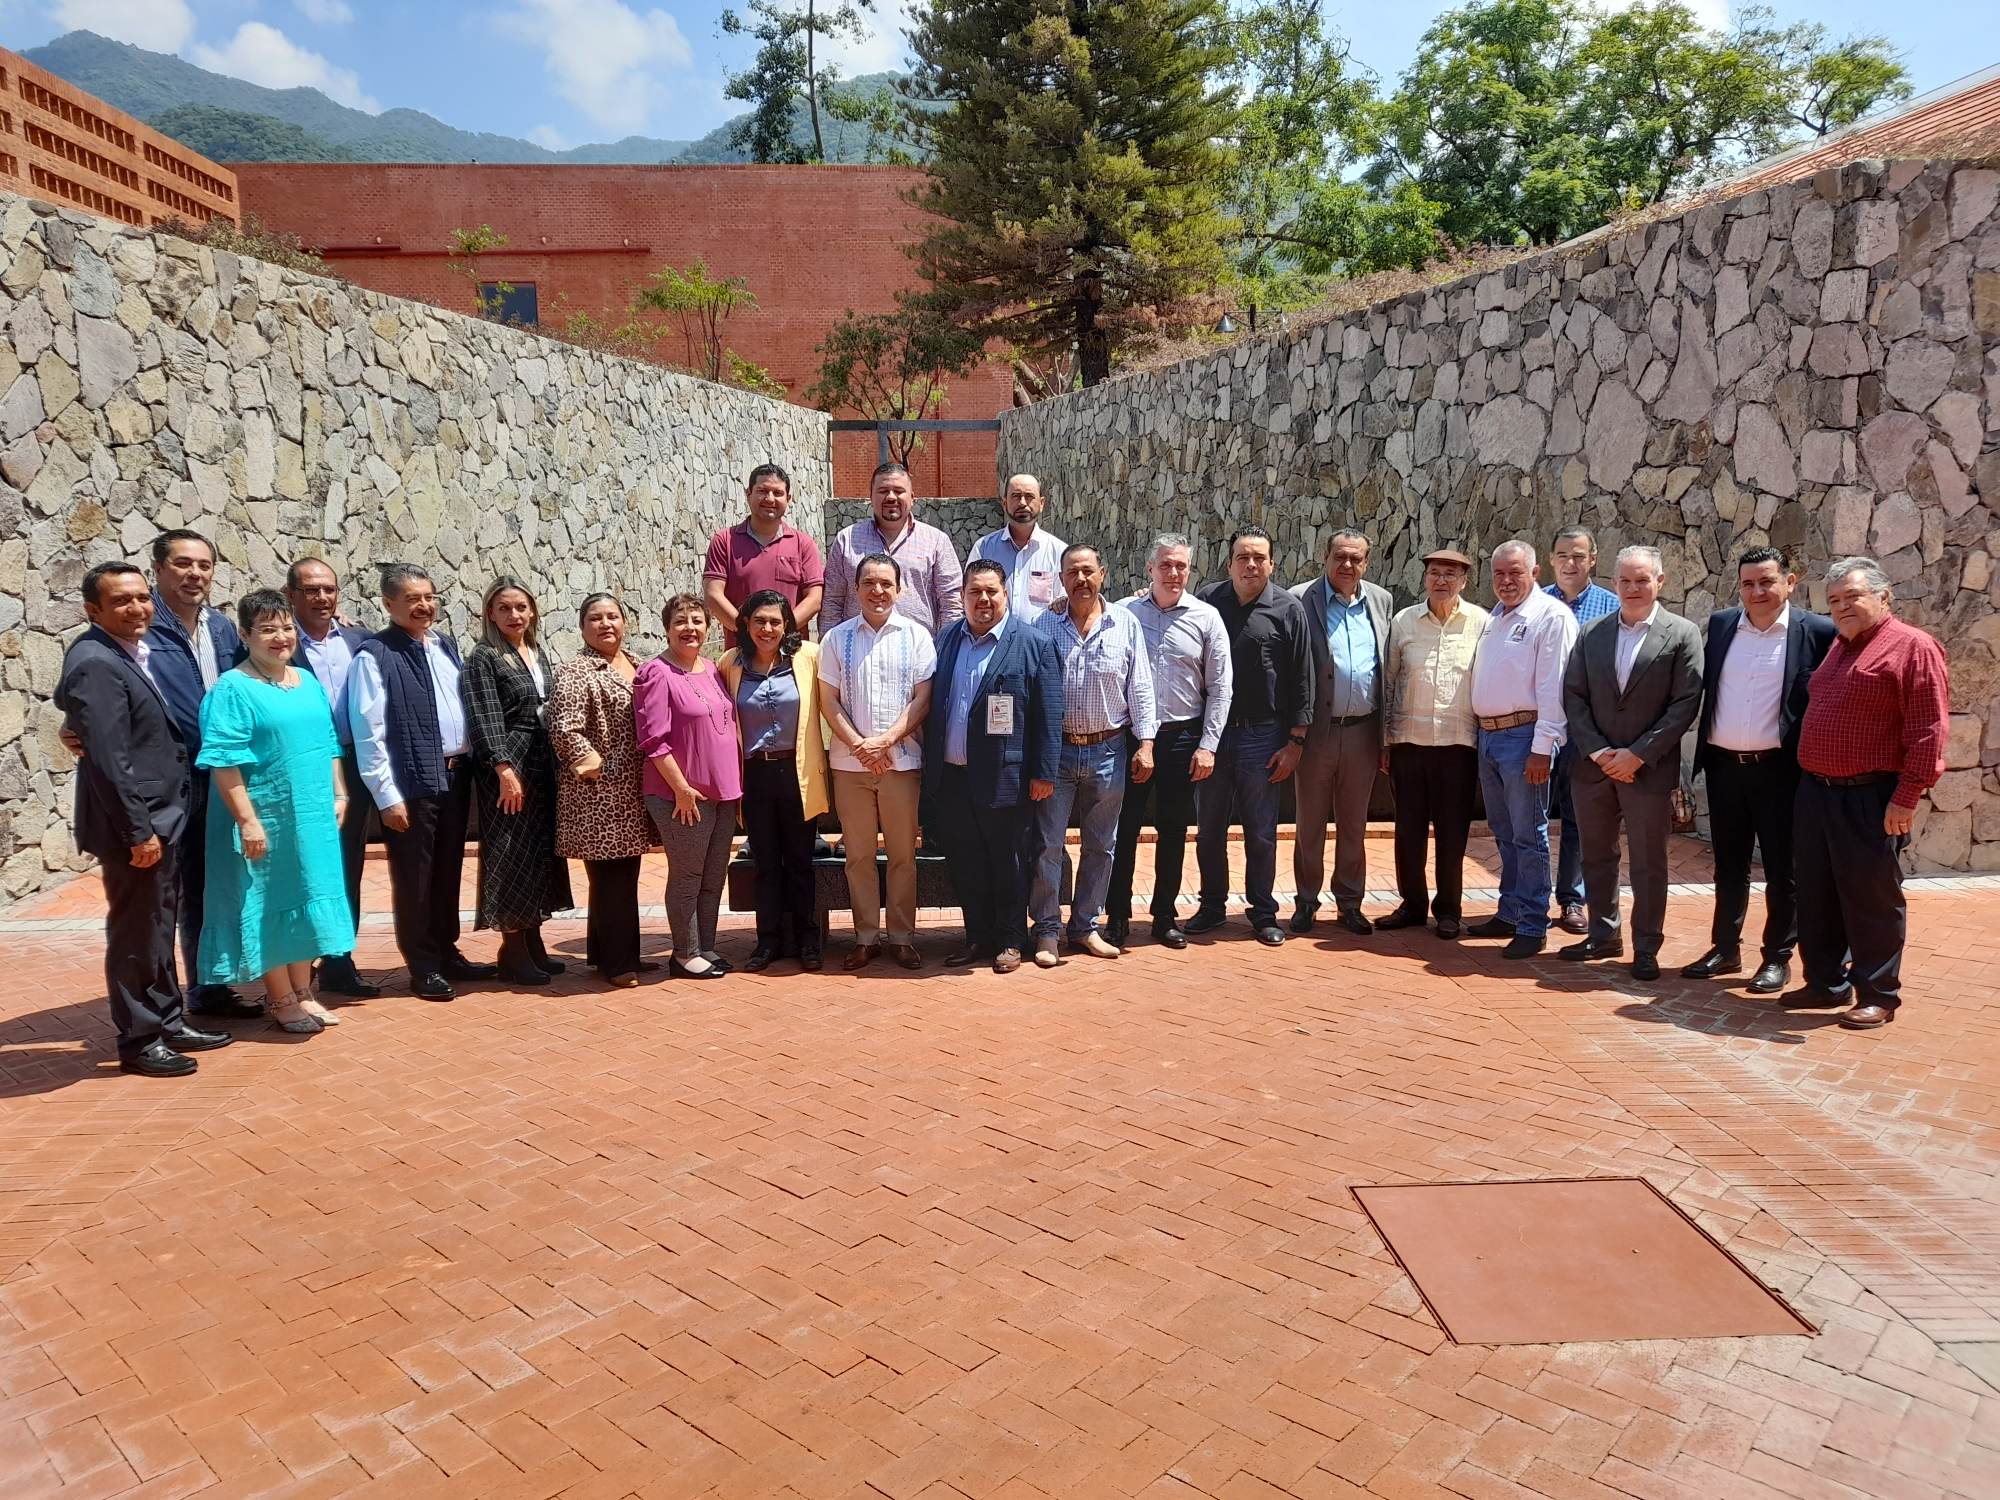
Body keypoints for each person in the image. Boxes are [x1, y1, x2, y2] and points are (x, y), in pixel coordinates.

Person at [55, 563, 230, 1078]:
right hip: (139, 824)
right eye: (121, 602)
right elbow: (109, 760)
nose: (137, 608)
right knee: (136, 933)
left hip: (163, 817)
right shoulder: (95, 660)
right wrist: (139, 831)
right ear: (94, 611)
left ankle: (169, 1021)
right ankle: (139, 1039)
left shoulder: (129, 651)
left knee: (158, 924)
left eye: (141, 598)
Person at [1791, 557, 1950, 1029]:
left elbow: (1929, 729)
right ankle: (1824, 983)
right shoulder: (1840, 646)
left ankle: (1878, 993)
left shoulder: (1913, 648)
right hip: (1816, 792)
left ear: (1883, 596)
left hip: (1869, 795)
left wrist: (1907, 795)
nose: (1842, 606)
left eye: (1852, 596)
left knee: (1872, 898)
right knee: (1817, 893)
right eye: (1834, 600)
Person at [195, 589, 356, 1034]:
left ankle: (304, 992)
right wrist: (247, 820)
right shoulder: (233, 689)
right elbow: (223, 760)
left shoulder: (306, 681)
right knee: (268, 902)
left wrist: (339, 795)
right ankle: (280, 998)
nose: (280, 637)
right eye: (267, 629)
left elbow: (328, 744)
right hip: (263, 817)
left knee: (307, 895)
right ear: (245, 635)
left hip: (311, 814)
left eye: (286, 628)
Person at [1683, 548, 1837, 994]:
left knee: (1782, 870)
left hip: (1781, 773)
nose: (1757, 592)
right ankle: (1725, 948)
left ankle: (1776, 958)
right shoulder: (1723, 624)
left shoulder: (1818, 632)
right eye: (1748, 583)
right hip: (1725, 768)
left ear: (1790, 582)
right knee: (1727, 866)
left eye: (1767, 582)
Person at [349, 563, 497, 1001]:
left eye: (430, 597)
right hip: (411, 785)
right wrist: (386, 796)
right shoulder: (374, 656)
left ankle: (446, 950)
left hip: (455, 776)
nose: (423, 605)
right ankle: (422, 965)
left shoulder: (444, 646)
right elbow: (368, 731)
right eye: (412, 598)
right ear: (389, 603)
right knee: (415, 877)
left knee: (449, 870)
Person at [1556, 547, 1703, 981]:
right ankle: (1604, 934)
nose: (1634, 588)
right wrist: (1600, 752)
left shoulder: (1682, 634)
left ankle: (1645, 946)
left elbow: (1685, 703)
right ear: (1614, 582)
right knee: (1597, 856)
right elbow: (1574, 696)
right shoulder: (1592, 633)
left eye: (1643, 580)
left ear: (1661, 581)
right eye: (1625, 581)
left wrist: (1637, 754)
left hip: (1647, 769)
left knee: (1648, 862)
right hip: (1593, 768)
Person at [924, 560, 1065, 973]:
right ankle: (976, 937)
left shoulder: (1033, 643)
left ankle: (1009, 940)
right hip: (953, 777)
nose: (983, 600)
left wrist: (1044, 772)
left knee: (1008, 861)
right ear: (963, 596)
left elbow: (1049, 713)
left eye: (992, 592)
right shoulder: (947, 639)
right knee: (966, 862)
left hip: (1009, 777)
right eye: (974, 592)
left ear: (1005, 594)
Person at [1029, 544, 1157, 966]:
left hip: (1108, 750)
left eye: (1088, 571)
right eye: (1072, 572)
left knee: (1101, 845)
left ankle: (1085, 926)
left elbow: (1140, 685)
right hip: (1058, 752)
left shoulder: (1126, 623)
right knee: (1048, 844)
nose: (1081, 579)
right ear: (1061, 578)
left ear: (1102, 573)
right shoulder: (1044, 625)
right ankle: (1046, 930)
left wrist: (1147, 743)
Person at [147, 529, 257, 1020]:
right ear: (159, 568)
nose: (195, 574)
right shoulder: (141, 626)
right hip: (168, 781)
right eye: (183, 564)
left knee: (209, 883)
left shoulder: (221, 629)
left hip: (219, 777)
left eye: (204, 565)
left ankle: (208, 987)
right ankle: (162, 1004)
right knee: (162, 896)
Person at [1106, 534, 1232, 950]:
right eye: (1166, 565)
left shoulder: (1206, 618)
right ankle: (1118, 915)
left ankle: (1164, 915)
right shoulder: (1123, 613)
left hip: (1183, 737)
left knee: (1174, 828)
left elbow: (1220, 687)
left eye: (1181, 566)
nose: (1173, 573)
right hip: (1132, 738)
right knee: (1123, 829)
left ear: (1189, 570)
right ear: (1150, 569)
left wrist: (1208, 744)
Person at [1189, 528, 1314, 946]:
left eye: (1259, 558)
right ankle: (1211, 906)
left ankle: (1262, 911)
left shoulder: (1288, 609)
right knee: (1209, 829)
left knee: (1261, 831)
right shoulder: (1207, 602)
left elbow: (1301, 678)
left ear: (1272, 564)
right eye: (1242, 557)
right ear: (1229, 563)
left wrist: (1295, 741)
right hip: (1211, 733)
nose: (1251, 565)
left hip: (1263, 736)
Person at [819, 553, 937, 971]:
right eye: (869, 583)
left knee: (904, 855)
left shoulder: (917, 637)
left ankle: (902, 937)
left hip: (901, 764)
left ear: (900, 589)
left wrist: (886, 741)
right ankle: (866, 936)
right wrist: (859, 746)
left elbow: (923, 698)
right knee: (859, 856)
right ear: (856, 589)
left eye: (886, 583)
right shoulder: (836, 639)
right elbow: (828, 701)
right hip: (850, 768)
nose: (878, 591)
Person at [1467, 541, 1579, 959]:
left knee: (1529, 835)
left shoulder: (1551, 617)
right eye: (1499, 573)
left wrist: (1542, 747)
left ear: (1534, 573)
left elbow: (1553, 687)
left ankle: (1533, 923)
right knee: (1504, 832)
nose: (1506, 581)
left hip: (1524, 738)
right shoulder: (1496, 616)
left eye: (1515, 572)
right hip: (1489, 738)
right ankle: (1510, 911)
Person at [463, 578, 574, 986]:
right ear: (490, 613)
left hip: (541, 762)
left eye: (521, 608)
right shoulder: (484, 657)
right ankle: (512, 950)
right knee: (510, 854)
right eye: (505, 608)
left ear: (533, 611)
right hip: (509, 766)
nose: (515, 615)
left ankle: (533, 942)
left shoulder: (536, 652)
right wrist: (503, 768)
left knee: (537, 852)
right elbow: (484, 716)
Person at [1378, 549, 1488, 940]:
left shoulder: (1481, 623)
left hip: (1459, 746)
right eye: (1435, 573)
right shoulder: (1404, 622)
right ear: (1424, 577)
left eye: (1451, 574)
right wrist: (1386, 741)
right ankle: (1411, 904)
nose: (1441, 580)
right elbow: (1389, 683)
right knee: (1408, 829)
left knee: (1452, 831)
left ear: (1464, 581)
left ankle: (1449, 909)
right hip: (1409, 743)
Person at [548, 594, 656, 989]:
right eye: (595, 618)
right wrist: (590, 763)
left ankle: (609, 952)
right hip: (600, 793)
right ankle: (618, 963)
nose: (605, 624)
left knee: (624, 874)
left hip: (634, 789)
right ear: (582, 627)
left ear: (625, 622)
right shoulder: (576, 671)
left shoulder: (640, 666)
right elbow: (564, 727)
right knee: (612, 877)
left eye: (612, 616)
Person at [1290, 529, 1395, 935]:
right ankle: (1305, 901)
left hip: (1363, 732)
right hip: (1317, 733)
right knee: (1309, 822)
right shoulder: (1302, 599)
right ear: (1326, 558)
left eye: (1356, 559)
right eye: (1340, 557)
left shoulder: (1381, 601)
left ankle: (1350, 902)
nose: (1347, 565)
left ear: (1366, 563)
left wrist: (1385, 736)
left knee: (1354, 824)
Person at [635, 595, 744, 980]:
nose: (690, 628)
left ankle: (706, 946)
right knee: (687, 875)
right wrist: (681, 788)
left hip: (722, 791)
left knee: (714, 874)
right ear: (667, 627)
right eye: (680, 621)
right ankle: (684, 953)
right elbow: (653, 741)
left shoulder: (713, 669)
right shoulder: (655, 673)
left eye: (697, 621)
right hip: (682, 795)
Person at [720, 590, 830, 972]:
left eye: (775, 621)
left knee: (801, 861)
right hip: (755, 776)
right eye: (759, 621)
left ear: (787, 625)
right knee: (766, 862)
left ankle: (807, 940)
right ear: (746, 626)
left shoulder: (808, 658)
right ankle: (767, 941)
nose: (767, 629)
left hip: (797, 773)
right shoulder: (730, 664)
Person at [285, 558, 379, 999]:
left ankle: (340, 960)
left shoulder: (360, 639)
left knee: (348, 866)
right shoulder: (278, 642)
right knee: (304, 866)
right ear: (291, 596)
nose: (321, 598)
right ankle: (296, 964)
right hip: (303, 770)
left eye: (328, 589)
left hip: (356, 767)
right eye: (310, 590)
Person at [1543, 526, 1620, 935]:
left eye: (1578, 556)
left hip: (1583, 735)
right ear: (1551, 559)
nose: (1570, 564)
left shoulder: (1612, 608)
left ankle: (1572, 900)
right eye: (1562, 555)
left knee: (1578, 820)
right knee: (1531, 819)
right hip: (1538, 732)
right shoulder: (1533, 604)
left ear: (1593, 559)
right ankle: (1529, 897)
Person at [821, 462, 964, 635]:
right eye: (883, 491)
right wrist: (828, 647)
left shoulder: (936, 541)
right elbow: (832, 601)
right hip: (857, 651)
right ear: (871, 497)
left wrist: (946, 650)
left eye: (899, 491)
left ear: (912, 497)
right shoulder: (847, 540)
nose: (890, 497)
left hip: (918, 653)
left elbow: (951, 602)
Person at [702, 462, 825, 649]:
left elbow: (814, 600)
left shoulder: (804, 544)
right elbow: (713, 595)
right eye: (762, 491)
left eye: (777, 493)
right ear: (748, 493)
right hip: (741, 654)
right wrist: (749, 633)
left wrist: (779, 632)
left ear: (788, 498)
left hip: (790, 655)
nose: (769, 498)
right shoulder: (725, 541)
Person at [967, 473, 1066, 625]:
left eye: (1029, 496)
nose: (1022, 503)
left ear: (1041, 503)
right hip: (994, 643)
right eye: (1016, 496)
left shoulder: (1059, 552)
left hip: (1040, 645)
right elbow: (970, 596)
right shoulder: (984, 549)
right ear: (1005, 503)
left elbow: (1065, 602)